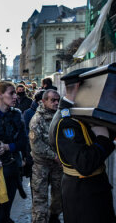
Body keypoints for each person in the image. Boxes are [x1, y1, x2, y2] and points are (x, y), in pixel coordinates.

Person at [48, 68, 115, 223]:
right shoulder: (68, 121)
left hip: (93, 190)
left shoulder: (79, 113)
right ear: (80, 87)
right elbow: (84, 164)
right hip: (83, 195)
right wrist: (103, 139)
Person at [0, 81, 29, 223]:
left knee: (6, 209)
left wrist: (8, 147)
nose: (15, 96)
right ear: (0, 95)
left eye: (15, 93)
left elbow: (24, 141)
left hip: (12, 168)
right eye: (11, 93)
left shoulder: (17, 114)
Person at [29, 90, 62, 223]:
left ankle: (54, 217)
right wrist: (54, 156)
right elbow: (37, 145)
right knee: (40, 200)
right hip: (41, 166)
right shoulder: (37, 119)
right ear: (44, 101)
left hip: (57, 166)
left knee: (59, 197)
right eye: (52, 100)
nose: (56, 102)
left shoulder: (59, 116)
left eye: (57, 100)